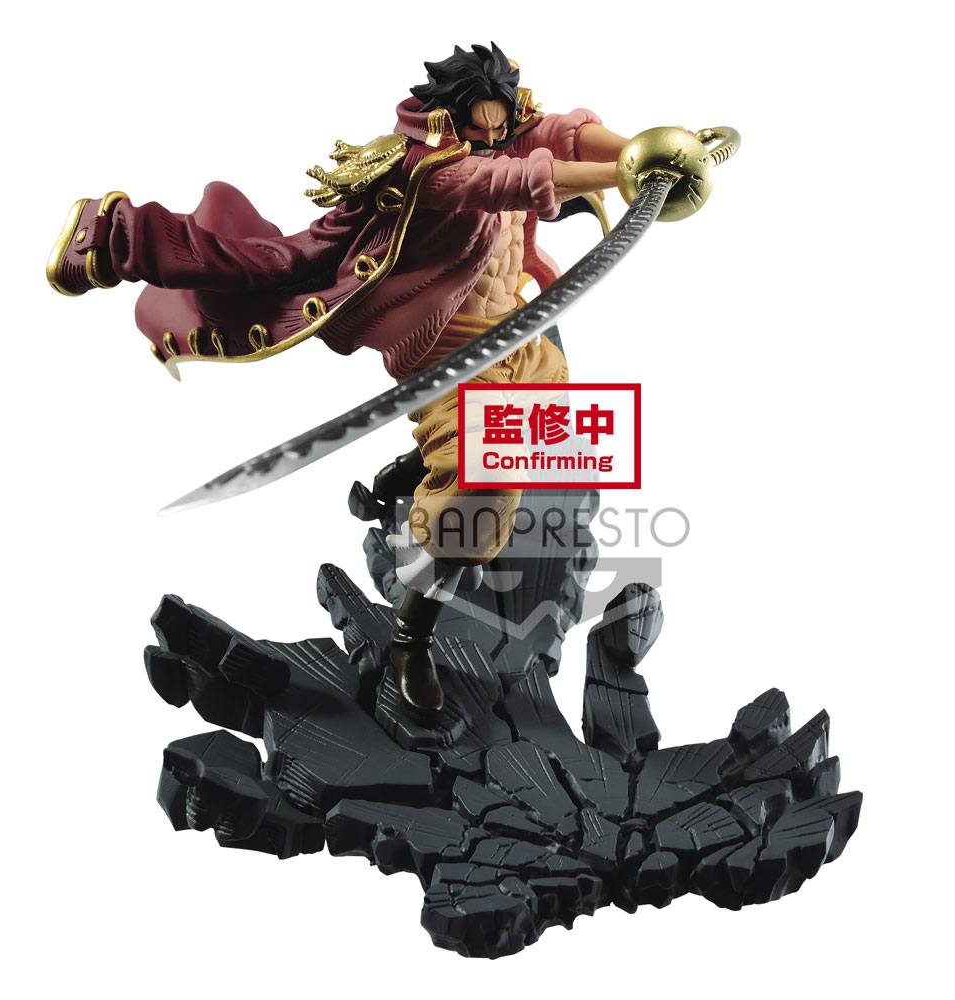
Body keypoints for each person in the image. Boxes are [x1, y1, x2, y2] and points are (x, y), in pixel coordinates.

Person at [47, 42, 630, 722]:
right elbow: (518, 179)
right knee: (480, 503)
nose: (496, 135)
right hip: (452, 353)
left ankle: (414, 469)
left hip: (520, 342)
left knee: (553, 438)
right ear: (453, 119)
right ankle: (412, 637)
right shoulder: (433, 171)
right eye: (482, 125)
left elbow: (557, 135)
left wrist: (644, 149)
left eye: (502, 122)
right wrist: (628, 168)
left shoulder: (504, 134)